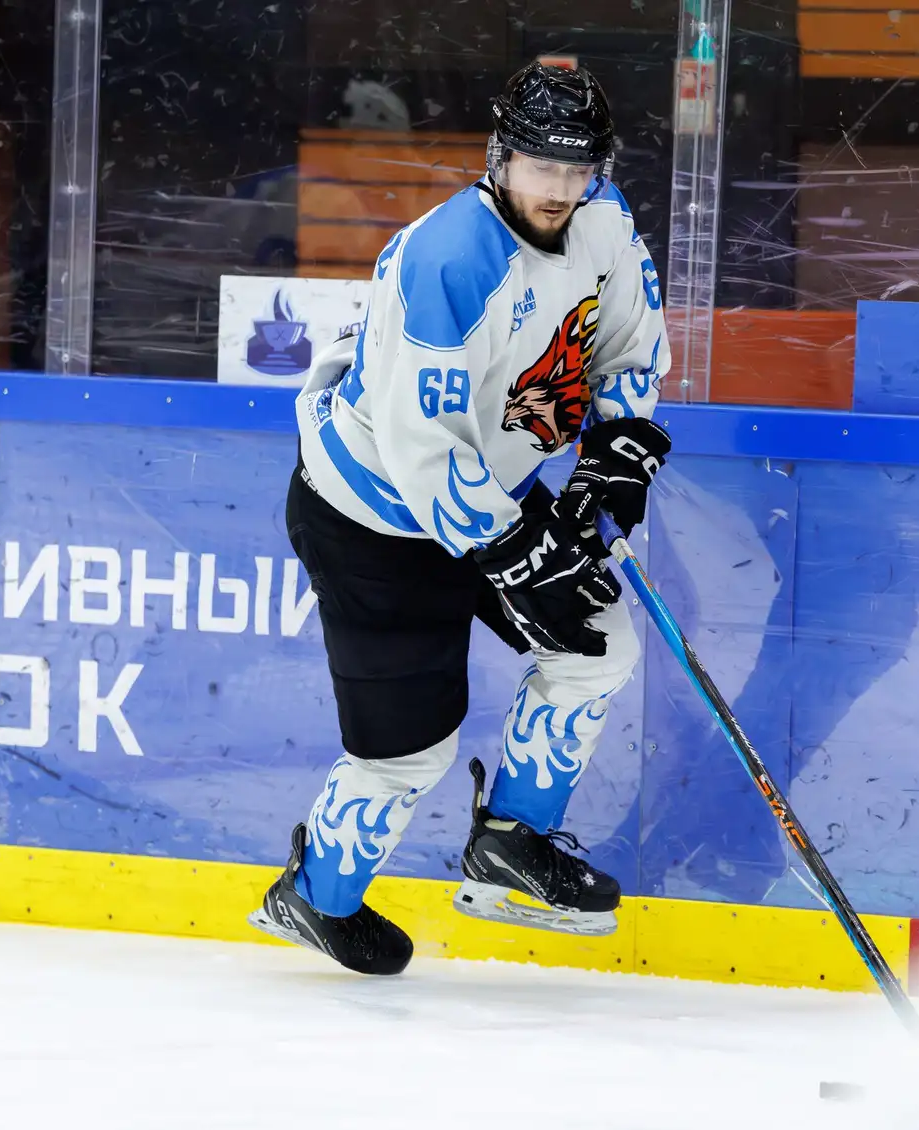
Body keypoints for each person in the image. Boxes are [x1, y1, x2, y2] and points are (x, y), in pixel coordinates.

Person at [250, 61, 674, 975]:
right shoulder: (446, 259)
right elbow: (422, 448)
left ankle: (512, 840)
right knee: (409, 754)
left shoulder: (604, 223)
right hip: (372, 513)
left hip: (490, 486)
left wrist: (615, 455)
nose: (558, 187)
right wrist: (520, 550)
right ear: (500, 157)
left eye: (577, 167)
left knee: (597, 644)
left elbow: (628, 349)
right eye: (540, 164)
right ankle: (315, 898)